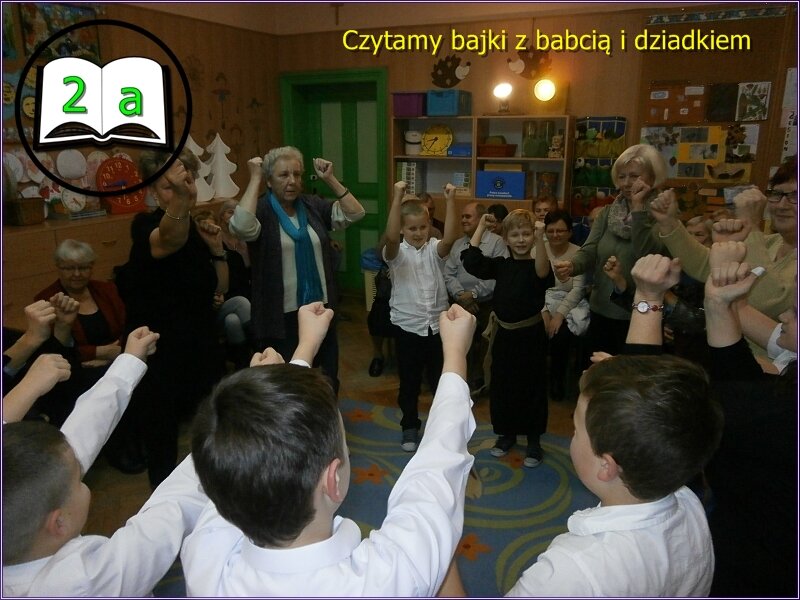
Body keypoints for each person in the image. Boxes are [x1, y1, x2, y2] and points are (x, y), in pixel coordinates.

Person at [182, 302, 477, 597]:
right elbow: (435, 469)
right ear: (333, 479)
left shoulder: (204, 559)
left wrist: (303, 350)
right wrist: (455, 352)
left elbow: (245, 452)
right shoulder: (388, 577)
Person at [505, 254, 723, 596]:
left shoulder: (569, 573)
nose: (572, 436)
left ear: (606, 465)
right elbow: (654, 405)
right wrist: (647, 298)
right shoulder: (687, 500)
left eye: (577, 430)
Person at [2, 327, 209, 598]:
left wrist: (129, 362)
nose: (81, 471)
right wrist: (229, 438)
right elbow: (170, 513)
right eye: (78, 480)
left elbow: (80, 436)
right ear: (59, 522)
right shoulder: (82, 583)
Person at [115, 149, 228, 489]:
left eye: (188, 181)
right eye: (169, 186)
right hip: (159, 353)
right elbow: (168, 239)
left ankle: (212, 495)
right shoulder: (145, 226)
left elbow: (219, 288)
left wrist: (217, 249)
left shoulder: (194, 229)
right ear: (152, 191)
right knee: (162, 437)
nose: (183, 189)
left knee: (210, 427)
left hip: (198, 345)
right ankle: (161, 506)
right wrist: (181, 199)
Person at [700, 241, 797, 596]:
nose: (784, 316)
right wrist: (718, 303)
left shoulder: (780, 418)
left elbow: (726, 406)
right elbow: (742, 386)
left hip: (763, 563)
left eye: (796, 312)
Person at [229, 149, 366, 393]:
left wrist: (330, 179)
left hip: (319, 308)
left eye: (297, 174)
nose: (292, 181)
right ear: (269, 181)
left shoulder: (312, 205)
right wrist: (254, 178)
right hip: (279, 315)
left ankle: (327, 414)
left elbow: (355, 213)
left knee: (327, 377)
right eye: (283, 175)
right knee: (288, 382)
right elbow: (241, 227)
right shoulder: (261, 209)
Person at [649, 154, 797, 360]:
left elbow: (768, 301)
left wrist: (751, 226)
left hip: (774, 372)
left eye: (795, 196)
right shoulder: (770, 243)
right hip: (734, 358)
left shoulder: (757, 241)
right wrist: (669, 223)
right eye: (777, 194)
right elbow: (706, 267)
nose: (782, 205)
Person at [554, 144, 666, 358]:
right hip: (601, 309)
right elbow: (590, 249)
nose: (626, 183)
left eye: (634, 176)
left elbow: (647, 253)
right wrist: (572, 265)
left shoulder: (663, 215)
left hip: (640, 314)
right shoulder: (608, 213)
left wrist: (638, 210)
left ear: (653, 177)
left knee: (630, 374)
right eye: (622, 176)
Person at [462, 209, 553, 467]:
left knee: (532, 387)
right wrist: (481, 226)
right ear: (505, 239)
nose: (521, 239)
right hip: (504, 335)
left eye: (526, 234)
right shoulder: (501, 266)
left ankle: (533, 440)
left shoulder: (537, 264)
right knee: (503, 385)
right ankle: (506, 434)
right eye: (515, 235)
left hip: (531, 336)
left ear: (533, 236)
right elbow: (471, 261)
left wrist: (541, 238)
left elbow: (543, 272)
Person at [383, 181, 458, 451]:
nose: (418, 233)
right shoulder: (395, 254)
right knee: (410, 382)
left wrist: (450, 200)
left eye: (422, 227)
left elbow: (450, 238)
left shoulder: (434, 249)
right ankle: (410, 426)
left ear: (429, 226)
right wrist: (397, 197)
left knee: (440, 381)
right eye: (412, 228)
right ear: (403, 229)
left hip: (437, 327)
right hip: (408, 327)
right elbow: (391, 238)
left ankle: (440, 427)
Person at [444, 201, 507, 393]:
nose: (463, 220)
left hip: (487, 302)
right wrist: (461, 296)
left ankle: (480, 376)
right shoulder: (458, 244)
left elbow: (498, 276)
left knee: (487, 335)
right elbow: (448, 274)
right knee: (457, 333)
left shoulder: (497, 242)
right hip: (460, 302)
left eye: (468, 216)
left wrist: (473, 294)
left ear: (481, 219)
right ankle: (458, 375)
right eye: (462, 216)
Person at [535, 210, 589, 401]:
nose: (555, 235)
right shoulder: (537, 250)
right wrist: (544, 311)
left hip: (570, 303)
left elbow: (578, 289)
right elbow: (533, 286)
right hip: (541, 301)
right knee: (533, 330)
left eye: (560, 231)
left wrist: (559, 315)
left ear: (570, 232)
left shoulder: (579, 254)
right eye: (550, 231)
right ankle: (535, 380)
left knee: (561, 335)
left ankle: (557, 380)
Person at [194, 210, 252, 369]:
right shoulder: (195, 258)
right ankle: (260, 348)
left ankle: (244, 365)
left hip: (225, 307)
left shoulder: (230, 256)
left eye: (213, 229)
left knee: (232, 320)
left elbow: (240, 287)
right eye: (205, 230)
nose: (210, 233)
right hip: (202, 314)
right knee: (240, 303)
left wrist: (222, 297)